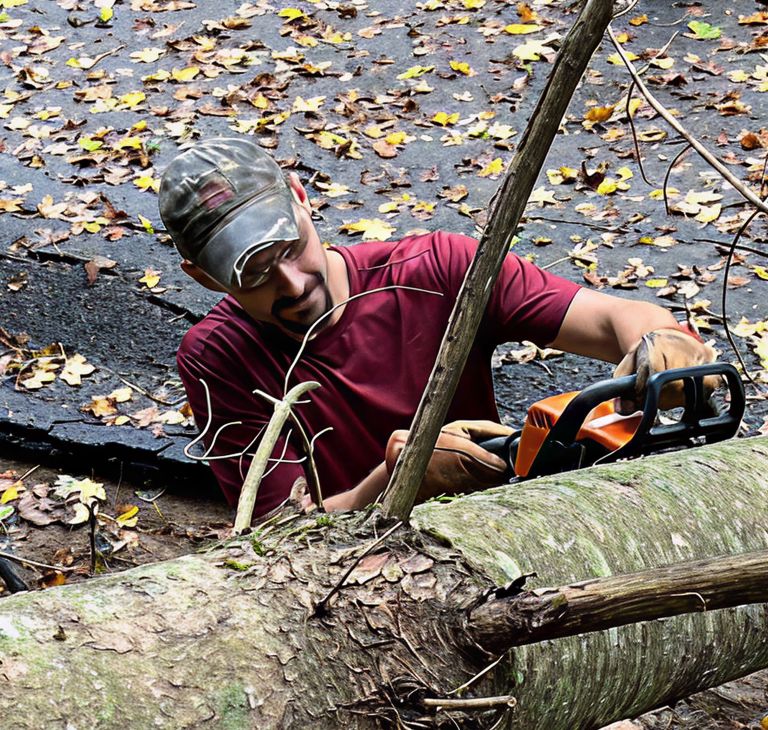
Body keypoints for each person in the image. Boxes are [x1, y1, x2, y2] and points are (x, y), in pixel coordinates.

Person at [158, 137, 717, 518]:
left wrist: (659, 341)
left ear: (302, 199)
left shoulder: (437, 270)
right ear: (203, 278)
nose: (293, 283)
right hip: (351, 586)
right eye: (255, 273)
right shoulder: (218, 355)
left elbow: (610, 317)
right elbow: (283, 534)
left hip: (505, 525)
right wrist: (401, 479)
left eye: (290, 247)